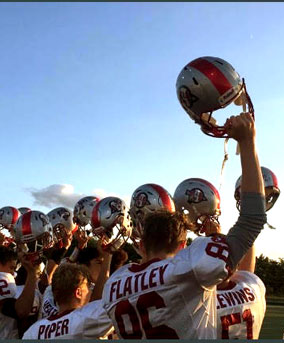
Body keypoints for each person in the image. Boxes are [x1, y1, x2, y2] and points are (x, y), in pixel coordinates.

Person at [101, 112, 267, 339]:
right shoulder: (188, 269)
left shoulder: (114, 283)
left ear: (141, 243)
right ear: (182, 245)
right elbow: (252, 220)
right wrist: (247, 141)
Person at [22, 263, 114, 339]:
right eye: (88, 287)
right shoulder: (88, 319)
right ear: (78, 292)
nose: (90, 291)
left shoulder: (33, 331)